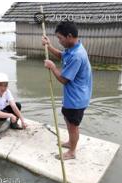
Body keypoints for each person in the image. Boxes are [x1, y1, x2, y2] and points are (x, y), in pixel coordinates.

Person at [42, 20, 93, 160]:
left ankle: (72, 152)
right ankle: (71, 142)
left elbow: (64, 79)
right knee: (67, 119)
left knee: (73, 126)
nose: (59, 41)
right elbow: (61, 55)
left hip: (77, 99)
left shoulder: (77, 55)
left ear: (69, 36)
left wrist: (52, 67)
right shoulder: (73, 49)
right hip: (73, 96)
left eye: (60, 38)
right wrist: (49, 46)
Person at [0, 72, 27, 140]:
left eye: (5, 85)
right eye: (0, 85)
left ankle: (14, 124)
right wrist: (11, 115)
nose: (3, 88)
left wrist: (22, 120)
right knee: (4, 112)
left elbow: (14, 106)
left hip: (1, 111)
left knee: (17, 105)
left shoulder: (7, 92)